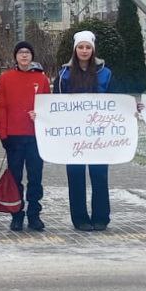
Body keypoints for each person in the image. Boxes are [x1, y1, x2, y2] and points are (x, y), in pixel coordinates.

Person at [55, 31, 113, 232]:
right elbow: (55, 104)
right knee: (76, 176)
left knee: (99, 175)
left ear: (93, 49)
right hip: (74, 136)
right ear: (75, 49)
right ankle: (79, 218)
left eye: (88, 47)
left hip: (99, 135)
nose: (84, 51)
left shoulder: (105, 73)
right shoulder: (64, 74)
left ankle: (101, 217)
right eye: (81, 47)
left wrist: (131, 109)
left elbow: (116, 101)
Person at [0, 41, 51, 232]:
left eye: (28, 52)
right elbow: (1, 108)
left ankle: (34, 214)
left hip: (36, 137)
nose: (24, 56)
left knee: (35, 178)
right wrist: (3, 135)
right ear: (16, 56)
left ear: (32, 56)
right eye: (21, 52)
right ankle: (17, 214)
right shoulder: (6, 78)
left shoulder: (42, 79)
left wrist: (42, 120)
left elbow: (49, 108)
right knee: (15, 177)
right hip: (14, 137)